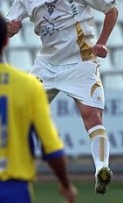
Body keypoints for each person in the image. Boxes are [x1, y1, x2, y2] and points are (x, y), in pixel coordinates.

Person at [5, 0, 118, 195]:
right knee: (17, 112)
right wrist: (10, 29)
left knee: (92, 115)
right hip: (47, 65)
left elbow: (112, 9)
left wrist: (102, 42)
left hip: (81, 62)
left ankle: (101, 169)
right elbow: (6, 27)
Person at [0, 13, 77, 202]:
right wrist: (66, 185)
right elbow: (52, 148)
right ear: (5, 42)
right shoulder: (27, 86)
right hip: (13, 189)